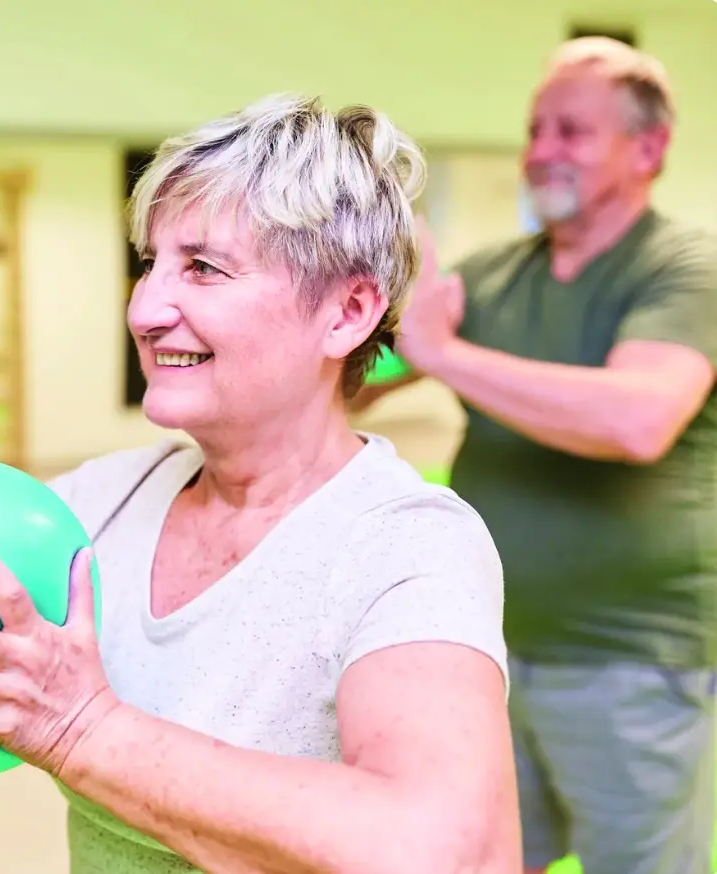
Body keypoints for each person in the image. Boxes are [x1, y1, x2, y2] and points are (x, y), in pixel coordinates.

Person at [0, 94, 521, 873]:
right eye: (150, 264)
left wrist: (84, 729)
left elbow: (434, 852)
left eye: (201, 268)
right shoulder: (99, 504)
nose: (144, 308)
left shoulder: (409, 543)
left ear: (347, 311)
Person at [358, 37, 717, 874]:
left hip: (629, 661)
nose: (543, 151)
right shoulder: (491, 275)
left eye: (572, 131)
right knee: (480, 858)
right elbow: (368, 372)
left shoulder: (685, 271)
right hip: (485, 652)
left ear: (650, 148)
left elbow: (638, 420)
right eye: (535, 129)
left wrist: (443, 353)